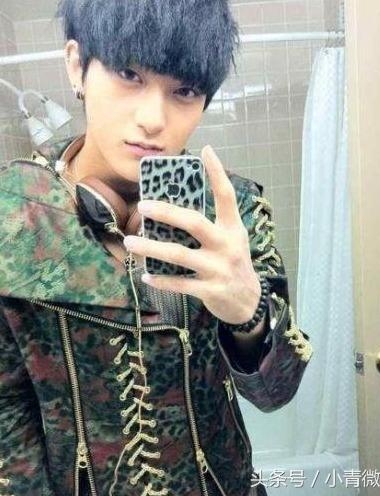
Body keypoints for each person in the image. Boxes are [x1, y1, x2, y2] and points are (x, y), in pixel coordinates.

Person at [0, 0, 313, 495]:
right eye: (128, 74)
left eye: (184, 91)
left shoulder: (234, 210)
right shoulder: (14, 210)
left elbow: (276, 394)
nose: (152, 119)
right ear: (77, 66)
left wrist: (248, 316)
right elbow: (7, 412)